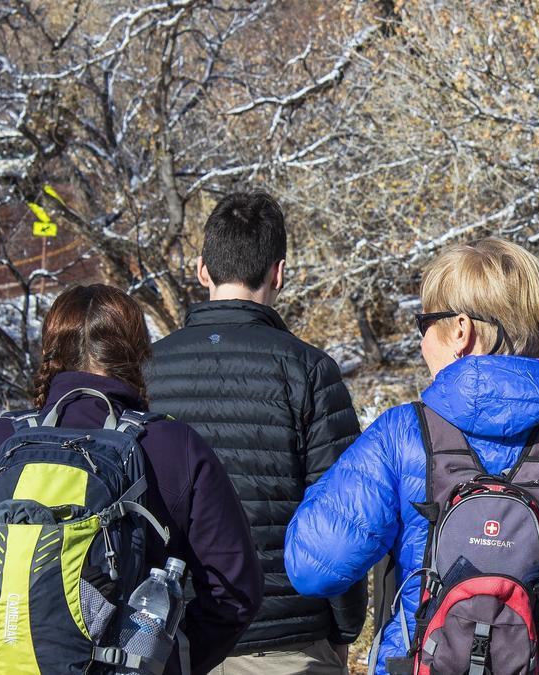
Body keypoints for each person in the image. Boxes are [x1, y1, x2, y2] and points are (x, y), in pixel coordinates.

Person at [284, 237, 539, 675]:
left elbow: (312, 568)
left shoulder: (400, 435)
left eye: (424, 322)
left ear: (461, 331)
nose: (422, 340)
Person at [0, 284, 262, 675]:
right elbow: (234, 592)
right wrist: (154, 660)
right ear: (138, 353)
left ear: (50, 351)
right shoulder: (175, 447)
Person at [146, 191, 365, 675]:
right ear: (278, 273)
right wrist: (346, 628)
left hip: (167, 640)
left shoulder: (145, 372)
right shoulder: (310, 371)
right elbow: (340, 517)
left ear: (202, 270)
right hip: (289, 641)